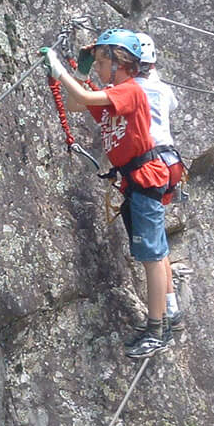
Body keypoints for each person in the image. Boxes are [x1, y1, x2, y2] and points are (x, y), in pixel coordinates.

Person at [41, 29, 171, 359]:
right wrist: (81, 72)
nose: (98, 69)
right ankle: (160, 321)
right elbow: (75, 104)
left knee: (152, 256)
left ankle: (157, 329)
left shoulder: (130, 91)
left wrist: (61, 69)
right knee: (148, 253)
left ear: (120, 63)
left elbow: (84, 98)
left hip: (144, 179)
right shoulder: (115, 94)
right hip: (135, 182)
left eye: (101, 62)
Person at [133, 31, 184, 336]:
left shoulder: (127, 88)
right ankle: (172, 307)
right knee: (160, 243)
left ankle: (158, 322)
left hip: (149, 167)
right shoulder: (162, 89)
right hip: (171, 164)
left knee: (152, 250)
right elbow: (172, 106)